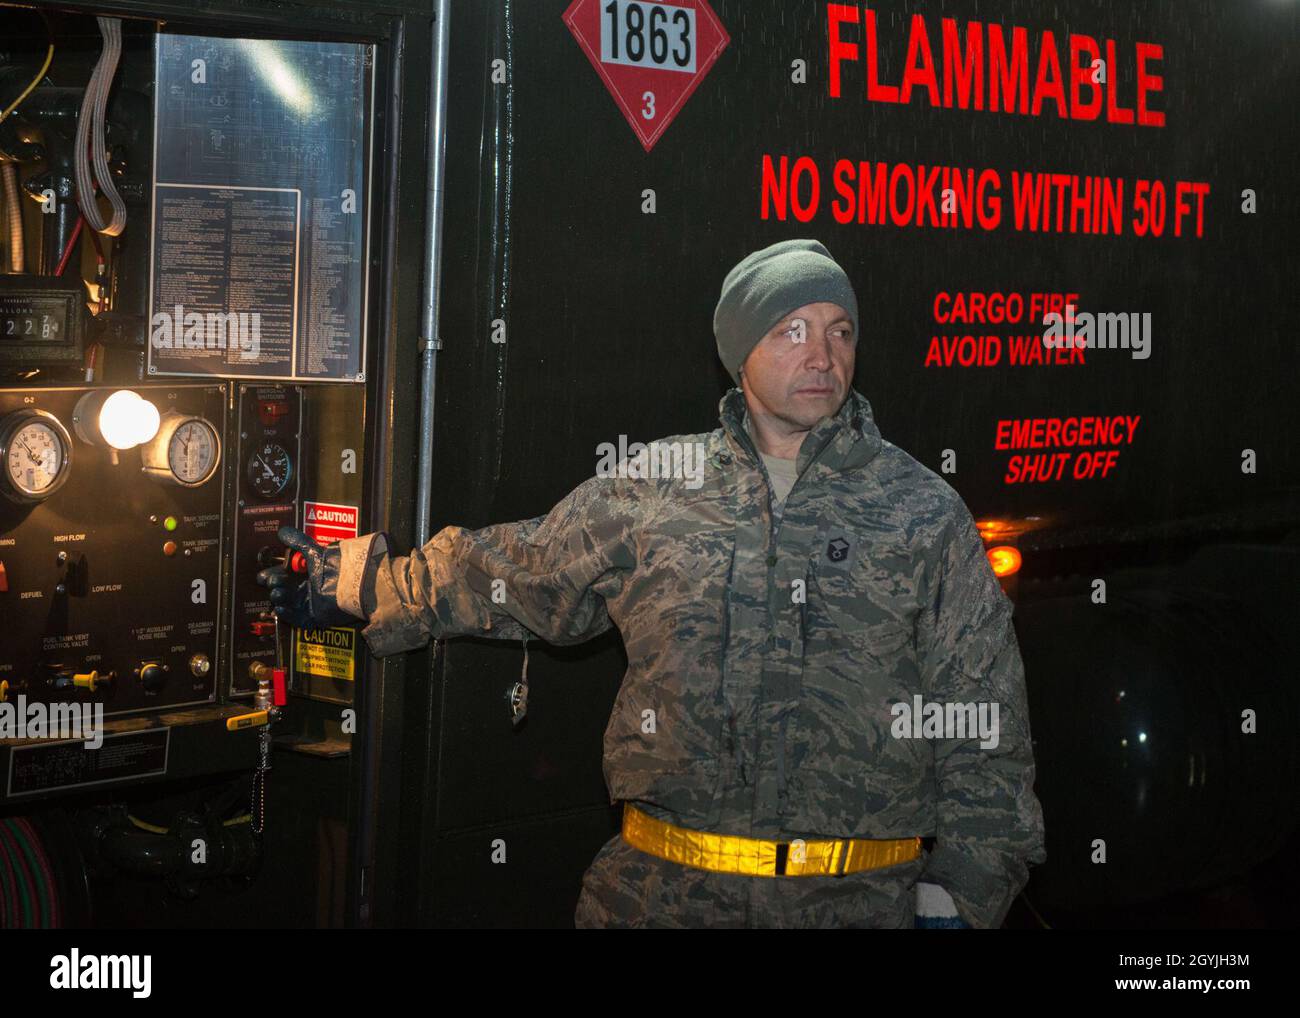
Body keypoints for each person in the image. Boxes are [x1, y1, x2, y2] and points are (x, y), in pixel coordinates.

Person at [261, 238, 1047, 929]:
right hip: (664, 898)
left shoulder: (921, 512)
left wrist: (961, 897)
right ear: (740, 353)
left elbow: (985, 723)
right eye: (793, 330)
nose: (824, 354)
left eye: (840, 332)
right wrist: (362, 581)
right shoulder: (657, 487)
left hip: (857, 905)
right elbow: (519, 570)